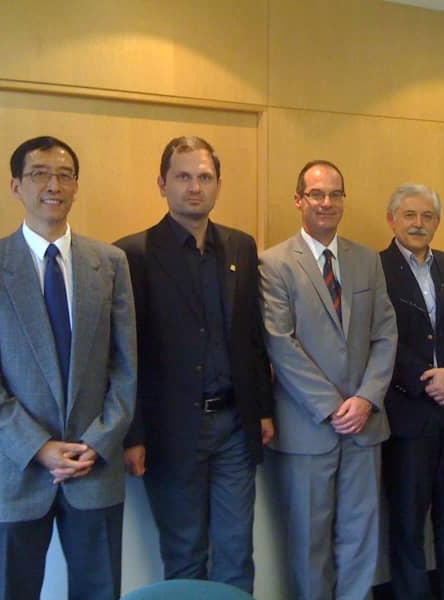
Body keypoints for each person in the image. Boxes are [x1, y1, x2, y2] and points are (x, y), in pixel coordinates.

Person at [0, 136, 137, 600]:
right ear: (16, 186)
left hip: (93, 469)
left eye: (64, 175)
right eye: (39, 174)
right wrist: (39, 447)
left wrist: (96, 441)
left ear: (76, 187)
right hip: (16, 474)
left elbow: (127, 365)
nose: (53, 185)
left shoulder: (110, 263)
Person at [115, 136, 273, 593]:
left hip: (234, 428)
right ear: (162, 183)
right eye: (183, 177)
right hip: (171, 432)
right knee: (185, 554)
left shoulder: (240, 248)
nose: (194, 187)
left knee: (237, 551)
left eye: (205, 177)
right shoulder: (133, 254)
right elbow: (128, 355)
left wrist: (261, 409)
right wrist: (134, 434)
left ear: (218, 184)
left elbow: (251, 336)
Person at [259, 160, 397, 600]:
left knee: (360, 538)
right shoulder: (274, 263)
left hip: (364, 425)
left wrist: (366, 399)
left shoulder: (367, 259)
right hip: (308, 427)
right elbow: (279, 342)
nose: (326, 202)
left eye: (335, 194)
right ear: (299, 199)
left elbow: (385, 333)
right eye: (316, 194)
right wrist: (333, 406)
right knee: (309, 543)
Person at [379, 183, 444, 599]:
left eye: (427, 216)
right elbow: (379, 335)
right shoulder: (375, 268)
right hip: (406, 413)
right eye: (409, 215)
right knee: (407, 522)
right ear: (392, 219)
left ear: (437, 222)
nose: (418, 224)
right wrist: (428, 377)